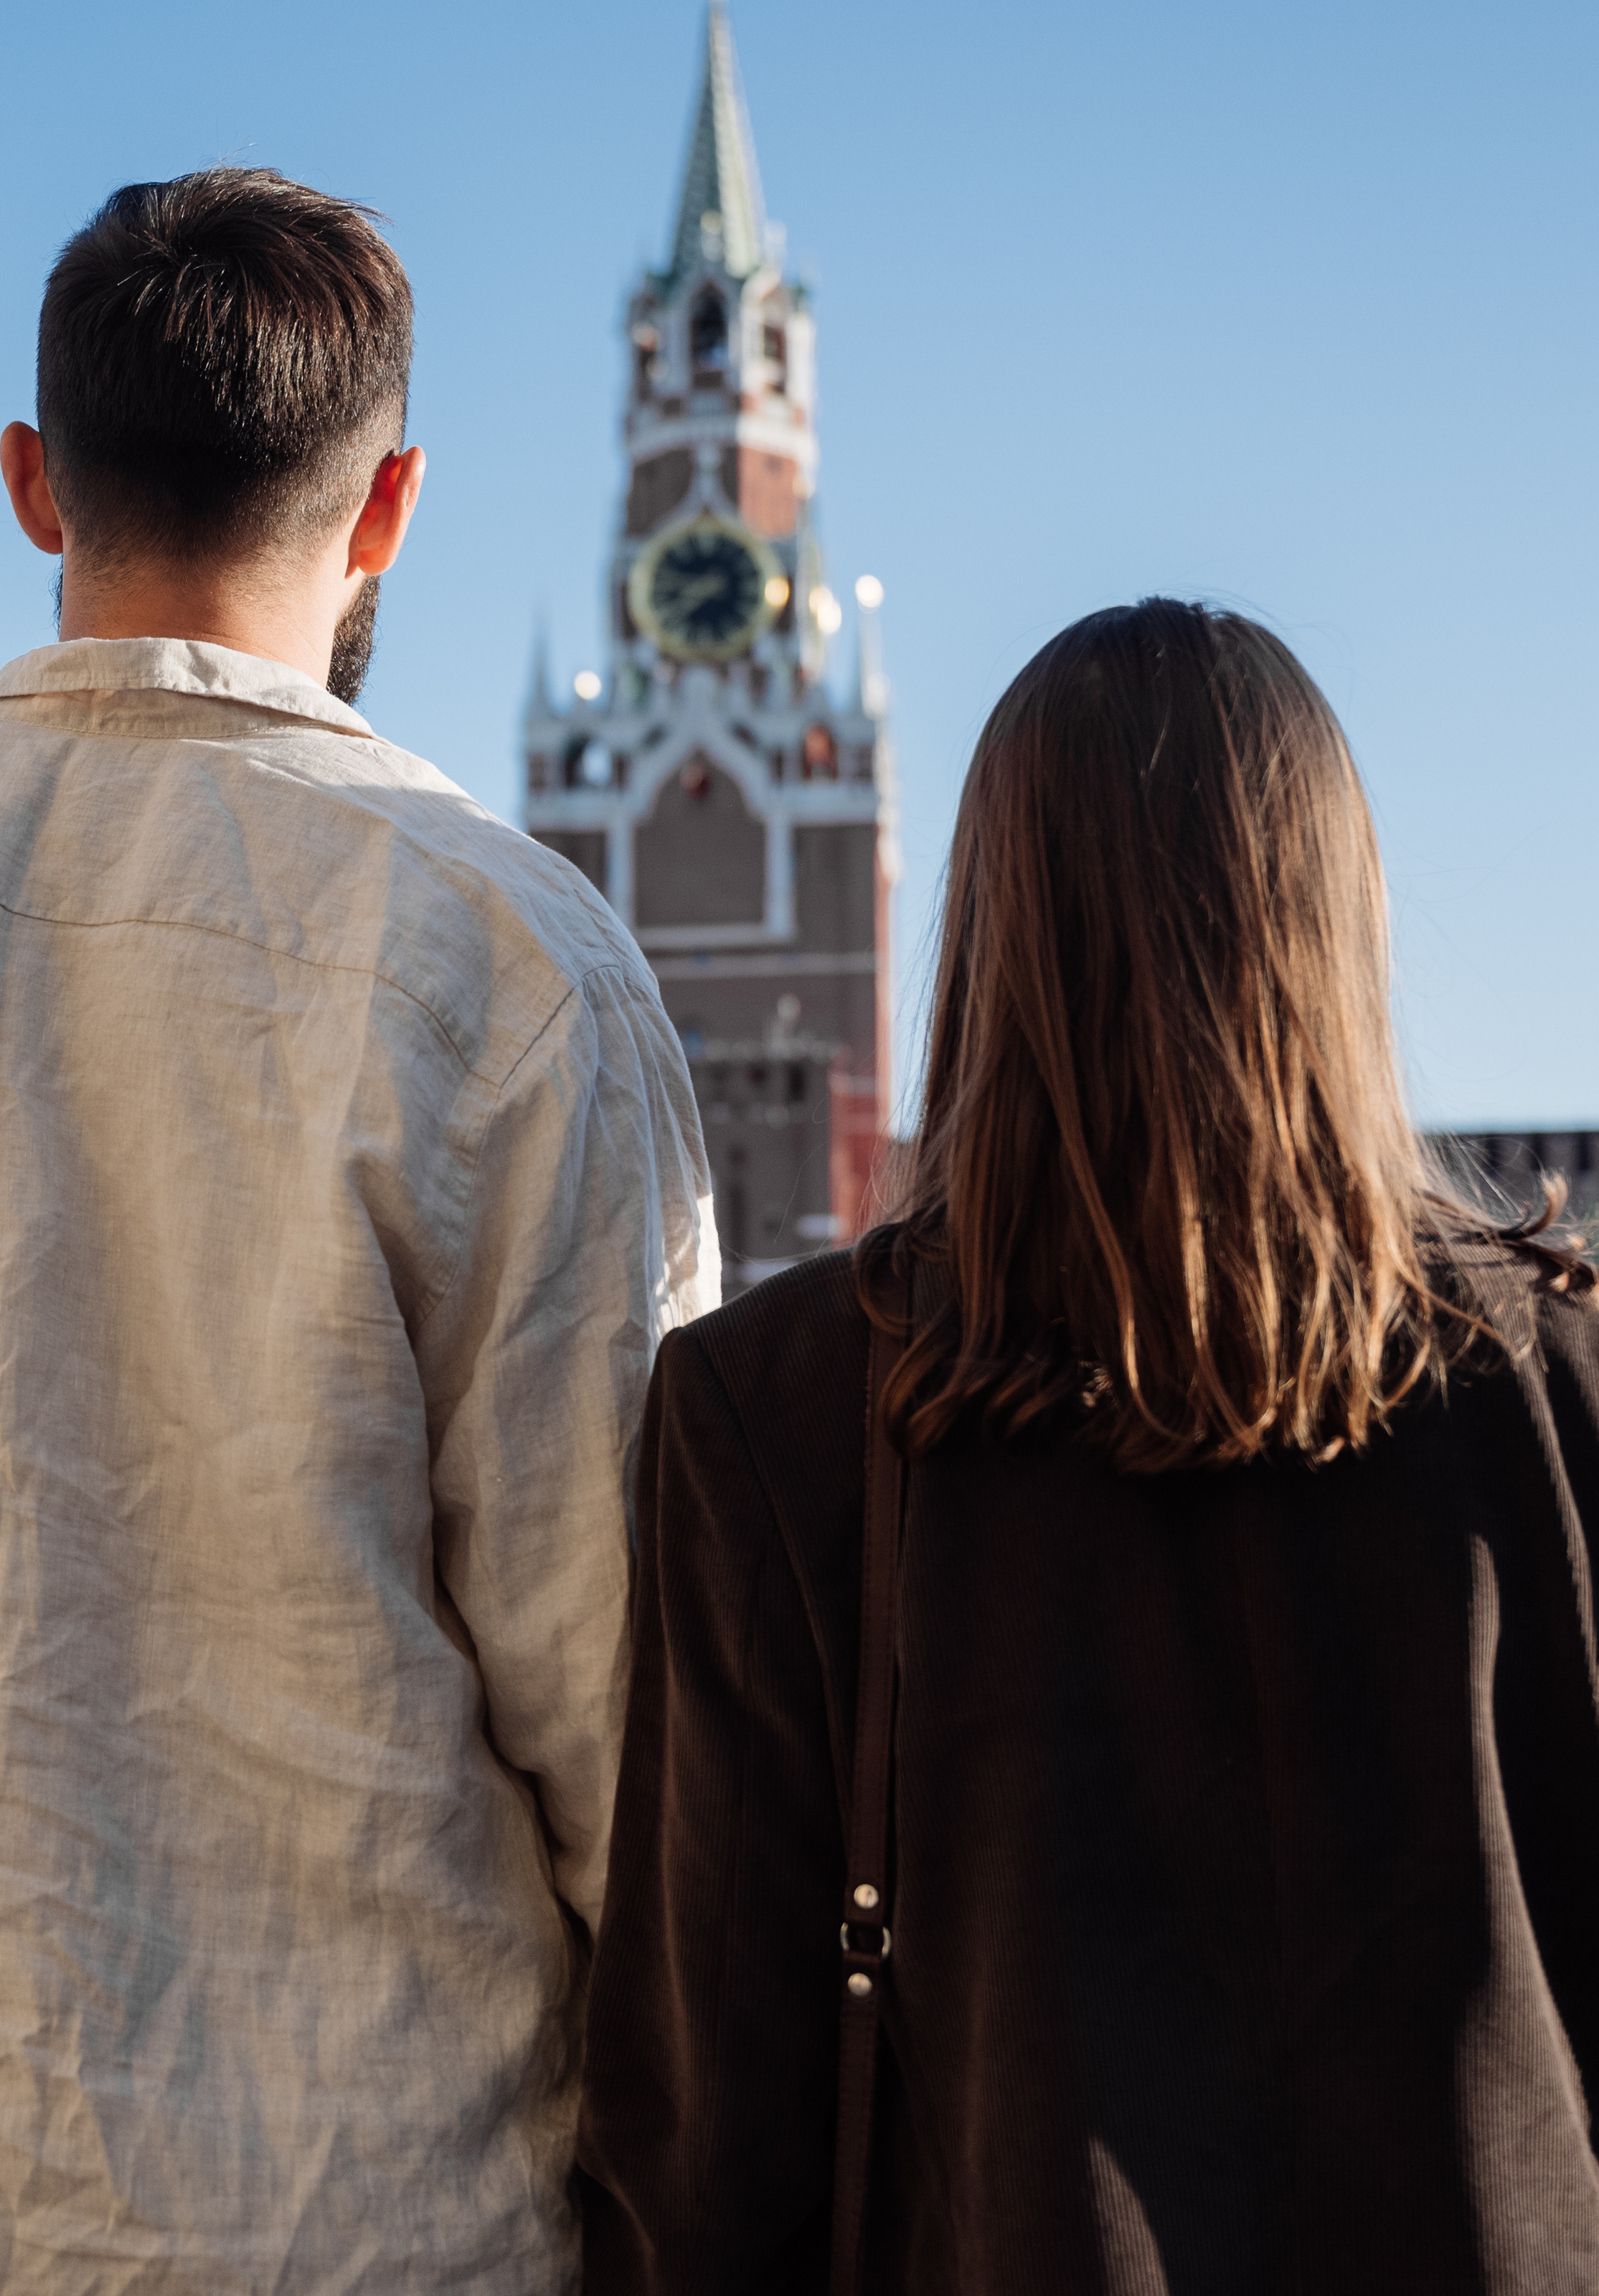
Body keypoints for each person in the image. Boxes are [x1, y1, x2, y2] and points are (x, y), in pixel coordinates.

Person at [0, 169, 715, 2292]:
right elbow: (633, 1712)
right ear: (387, 507)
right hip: (345, 2212)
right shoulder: (509, 961)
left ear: (33, 482)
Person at [577, 599, 1599, 2294]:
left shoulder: (778, 1407)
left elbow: (700, 2128)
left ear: (988, 925)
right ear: (1336, 918)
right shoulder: (1552, 1386)